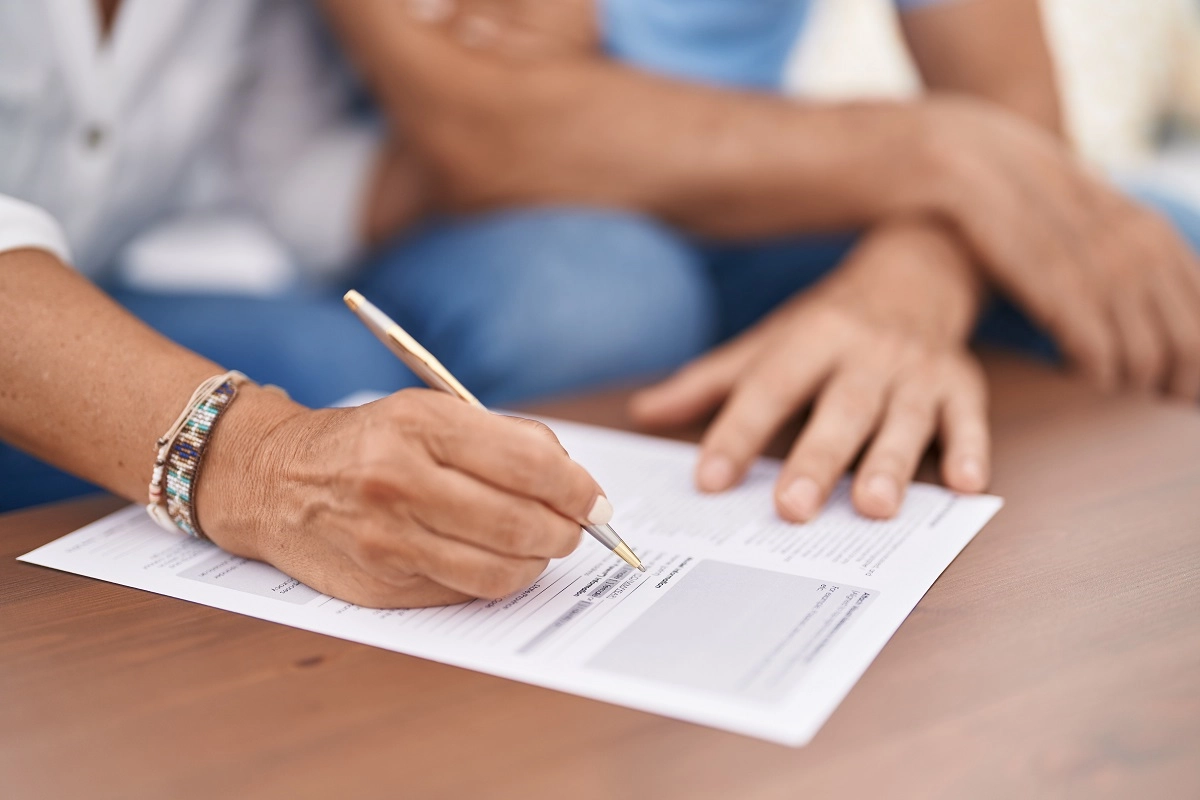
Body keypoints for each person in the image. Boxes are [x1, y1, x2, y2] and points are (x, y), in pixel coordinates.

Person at [322, 0, 1200, 525]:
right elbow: (487, 130)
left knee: (1156, 240)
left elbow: (1011, 107)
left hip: (761, 205)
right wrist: (940, 153)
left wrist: (911, 284)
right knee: (599, 299)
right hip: (495, 222)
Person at [0, 0, 626, 608]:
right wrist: (258, 460)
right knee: (337, 374)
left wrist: (477, 129)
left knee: (599, 292)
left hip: (98, 277)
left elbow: (289, 168)